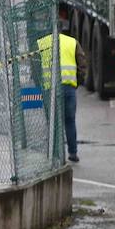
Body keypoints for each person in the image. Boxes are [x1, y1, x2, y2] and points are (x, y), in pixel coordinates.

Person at [37, 12, 86, 163]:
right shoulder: (72, 42)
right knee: (69, 121)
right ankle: (73, 153)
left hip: (49, 89)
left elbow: (36, 67)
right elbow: (82, 64)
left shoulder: (42, 43)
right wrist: (77, 82)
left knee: (53, 121)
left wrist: (40, 84)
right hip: (68, 88)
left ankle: (55, 153)